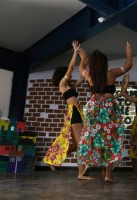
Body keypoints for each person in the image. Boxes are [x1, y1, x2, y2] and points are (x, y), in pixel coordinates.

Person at [77, 41, 132, 182]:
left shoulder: (90, 75)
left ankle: (88, 164)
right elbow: (128, 65)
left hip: (93, 106)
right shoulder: (111, 74)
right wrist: (128, 50)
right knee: (110, 139)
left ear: (92, 64)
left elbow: (81, 68)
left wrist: (83, 58)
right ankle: (108, 175)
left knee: (90, 136)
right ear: (105, 63)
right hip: (107, 107)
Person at [43, 40, 90, 180]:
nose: (70, 74)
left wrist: (84, 59)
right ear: (62, 75)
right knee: (81, 143)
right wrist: (75, 51)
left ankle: (52, 161)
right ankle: (81, 174)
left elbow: (82, 77)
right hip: (73, 112)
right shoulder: (62, 85)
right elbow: (70, 69)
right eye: (67, 73)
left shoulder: (70, 86)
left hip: (78, 112)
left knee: (75, 145)